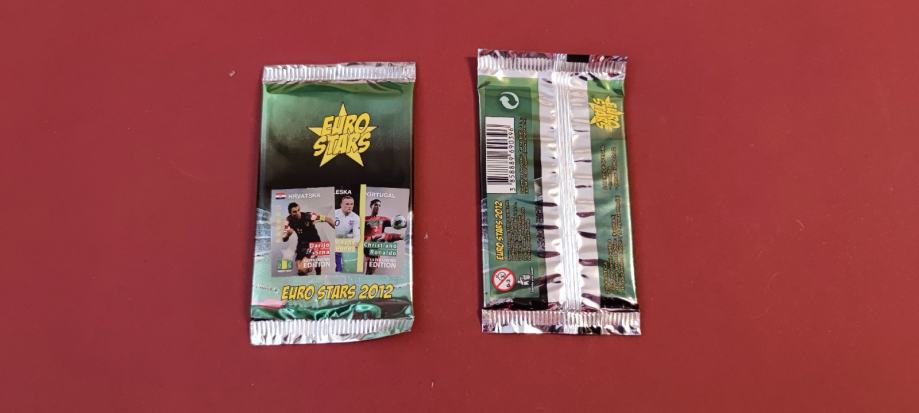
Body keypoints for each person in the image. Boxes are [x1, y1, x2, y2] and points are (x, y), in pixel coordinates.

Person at [282, 202, 334, 275]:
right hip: (302, 245)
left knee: (302, 269)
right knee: (299, 269)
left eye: (298, 210)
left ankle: (316, 268)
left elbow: (327, 218)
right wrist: (287, 234)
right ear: (290, 213)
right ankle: (314, 263)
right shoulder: (288, 221)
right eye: (294, 212)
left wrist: (336, 227)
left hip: (314, 243)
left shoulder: (308, 216)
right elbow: (284, 239)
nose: (298, 213)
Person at [364, 199, 403, 274]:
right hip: (365, 246)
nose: (378, 207)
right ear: (371, 206)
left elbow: (395, 222)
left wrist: (403, 223)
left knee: (370, 273)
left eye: (379, 205)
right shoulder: (364, 219)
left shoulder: (383, 219)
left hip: (375, 249)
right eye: (376, 205)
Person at [333, 195, 362, 272]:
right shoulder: (334, 213)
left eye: (351, 204)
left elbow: (357, 235)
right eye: (347, 204)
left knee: (339, 266)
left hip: (341, 243)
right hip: (331, 239)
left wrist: (352, 244)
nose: (350, 206)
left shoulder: (355, 217)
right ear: (341, 205)